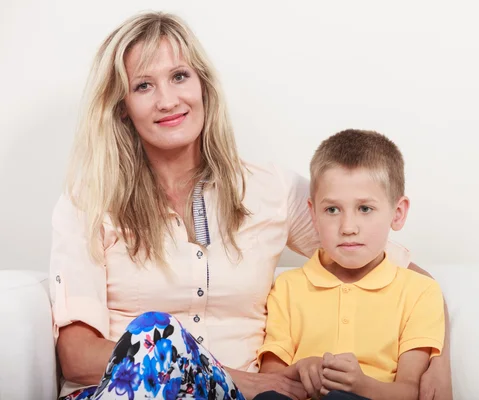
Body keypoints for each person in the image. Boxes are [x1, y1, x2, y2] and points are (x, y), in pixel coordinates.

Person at [48, 11, 451, 400]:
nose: (168, 100)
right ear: (122, 107)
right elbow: (77, 357)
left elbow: (404, 275)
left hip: (240, 398)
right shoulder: (89, 201)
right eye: (143, 86)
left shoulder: (269, 189)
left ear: (203, 85)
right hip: (128, 393)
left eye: (179, 76)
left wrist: (438, 364)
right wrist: (243, 380)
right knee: (154, 332)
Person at [256, 129, 446, 400]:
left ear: (398, 213)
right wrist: (301, 368)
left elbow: (409, 392)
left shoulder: (420, 292)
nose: (347, 228)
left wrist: (360, 385)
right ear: (313, 214)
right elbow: (270, 380)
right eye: (332, 210)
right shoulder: (287, 287)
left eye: (365, 209)